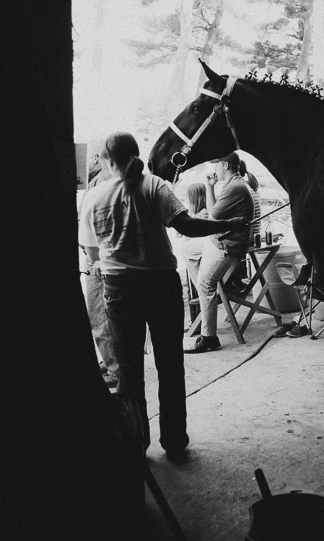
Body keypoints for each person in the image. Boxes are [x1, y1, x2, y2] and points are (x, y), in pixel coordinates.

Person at [79, 132, 246, 461]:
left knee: (129, 371)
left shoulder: (94, 197)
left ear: (108, 162)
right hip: (161, 286)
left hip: (119, 290)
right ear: (135, 154)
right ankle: (174, 440)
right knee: (170, 365)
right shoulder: (155, 186)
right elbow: (186, 226)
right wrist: (227, 223)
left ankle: (137, 442)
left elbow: (92, 252)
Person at [189, 151, 261, 353]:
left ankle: (209, 337)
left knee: (205, 283)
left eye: (217, 165)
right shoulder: (233, 185)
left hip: (227, 246)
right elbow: (214, 215)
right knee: (187, 249)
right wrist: (210, 187)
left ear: (226, 165)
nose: (214, 169)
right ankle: (211, 293)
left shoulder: (235, 188)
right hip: (221, 240)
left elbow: (211, 219)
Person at [78, 139, 119, 389]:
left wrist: (95, 259)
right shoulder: (99, 179)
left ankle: (115, 369)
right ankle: (112, 359)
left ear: (95, 158)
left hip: (100, 259)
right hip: (101, 256)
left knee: (99, 313)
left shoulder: (101, 180)